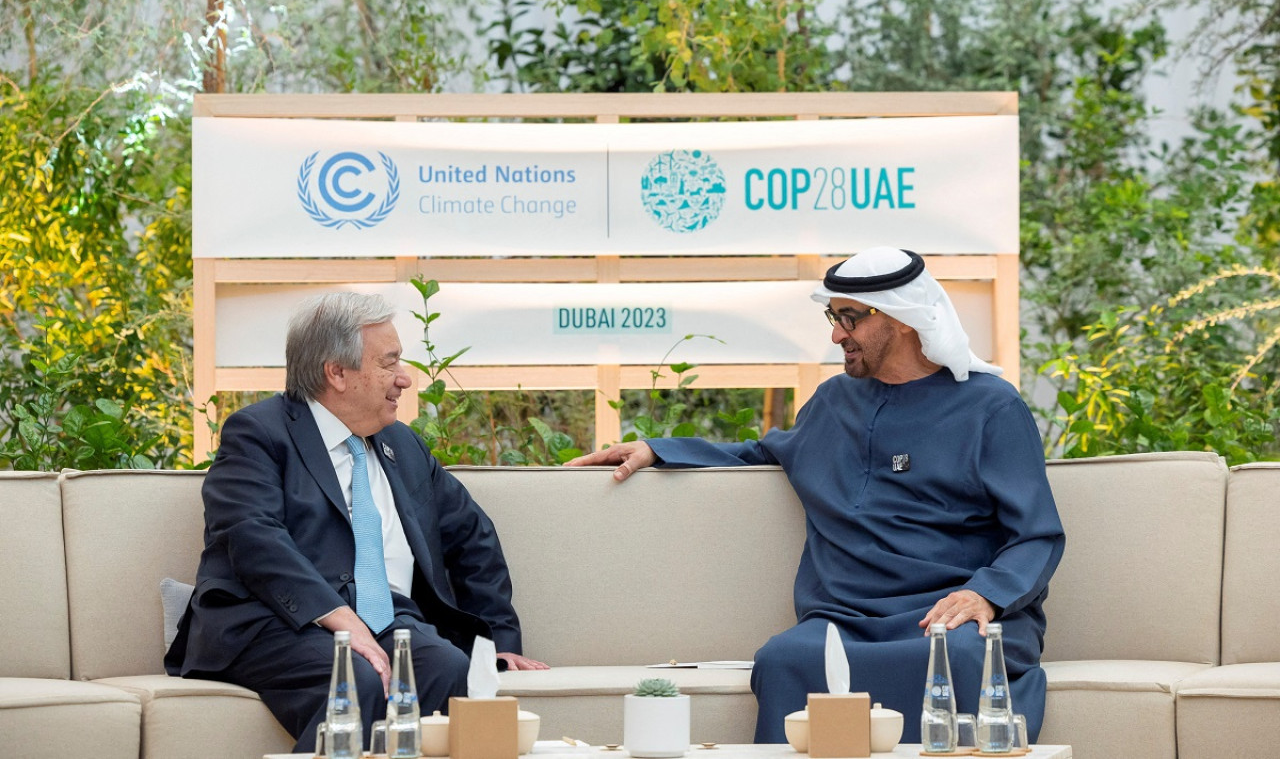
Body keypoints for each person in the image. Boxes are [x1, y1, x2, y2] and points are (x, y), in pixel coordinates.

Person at [567, 247, 1064, 744]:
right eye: (834, 315)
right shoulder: (834, 401)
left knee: (955, 657)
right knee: (784, 657)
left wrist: (984, 595)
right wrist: (657, 450)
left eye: (850, 318)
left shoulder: (991, 409)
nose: (835, 334)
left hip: (946, 615)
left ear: (903, 319)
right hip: (844, 618)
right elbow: (761, 453)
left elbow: (1036, 535)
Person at [165, 292, 546, 752]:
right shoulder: (259, 433)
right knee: (355, 679)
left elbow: (472, 537)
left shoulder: (402, 446)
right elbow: (251, 535)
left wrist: (496, 646)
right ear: (337, 372)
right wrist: (340, 618)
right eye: (389, 363)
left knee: (447, 667)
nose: (404, 379)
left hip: (388, 618)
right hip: (277, 621)